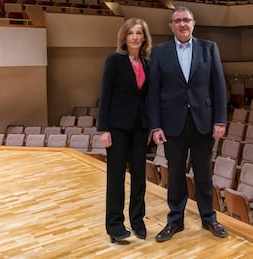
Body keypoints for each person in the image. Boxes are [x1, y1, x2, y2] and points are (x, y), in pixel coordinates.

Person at [148, 6, 228, 242]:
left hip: (202, 122)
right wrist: (155, 126)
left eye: (186, 20)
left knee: (204, 174)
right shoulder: (160, 52)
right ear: (171, 26)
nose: (182, 24)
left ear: (194, 24)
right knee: (175, 175)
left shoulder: (209, 48)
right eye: (177, 21)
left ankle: (209, 218)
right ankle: (175, 221)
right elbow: (153, 92)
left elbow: (219, 86)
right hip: (172, 124)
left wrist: (220, 120)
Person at [97, 18, 152, 243]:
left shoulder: (148, 63)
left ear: (144, 37)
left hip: (140, 127)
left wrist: (150, 125)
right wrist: (103, 129)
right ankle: (115, 225)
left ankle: (137, 220)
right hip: (117, 128)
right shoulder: (114, 60)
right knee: (116, 177)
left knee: (139, 178)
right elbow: (105, 93)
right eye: (131, 33)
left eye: (139, 33)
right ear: (124, 37)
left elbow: (148, 97)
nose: (135, 37)